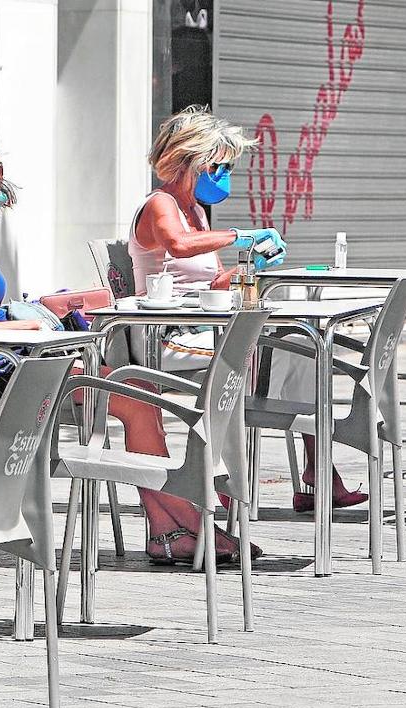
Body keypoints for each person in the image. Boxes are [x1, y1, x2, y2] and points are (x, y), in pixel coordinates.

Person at [0, 130, 252, 564]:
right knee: (136, 399)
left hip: (15, 367)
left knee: (139, 396)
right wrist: (29, 329)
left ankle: (171, 530)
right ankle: (193, 522)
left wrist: (65, 305)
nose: (2, 183)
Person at [131, 106, 366, 513]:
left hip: (206, 327)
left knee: (304, 351)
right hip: (167, 336)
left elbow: (214, 282)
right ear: (193, 163)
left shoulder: (197, 213)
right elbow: (177, 246)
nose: (225, 178)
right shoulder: (161, 204)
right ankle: (223, 477)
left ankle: (317, 469)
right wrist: (242, 235)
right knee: (275, 356)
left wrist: (250, 264)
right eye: (220, 167)